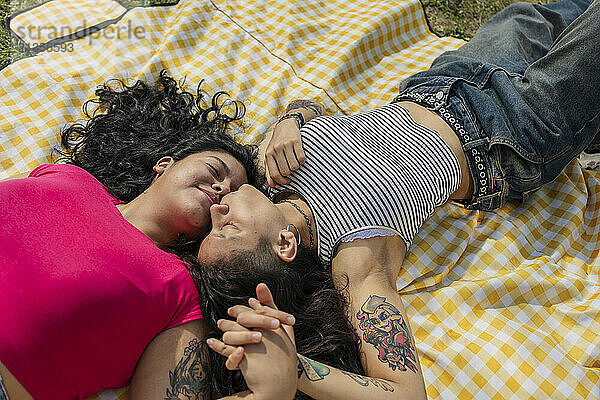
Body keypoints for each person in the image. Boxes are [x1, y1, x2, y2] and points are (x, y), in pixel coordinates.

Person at [193, 0, 600, 398]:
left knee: (541, 13)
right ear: (285, 243)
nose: (217, 208)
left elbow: (315, 108)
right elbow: (404, 393)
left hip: (442, 83)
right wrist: (292, 365)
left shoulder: (272, 171)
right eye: (227, 228)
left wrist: (292, 117)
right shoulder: (355, 255)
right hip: (507, 132)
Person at [0, 71, 264, 400]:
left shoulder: (183, 292)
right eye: (215, 170)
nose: (223, 188)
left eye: (232, 195)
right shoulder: (67, 176)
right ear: (165, 164)